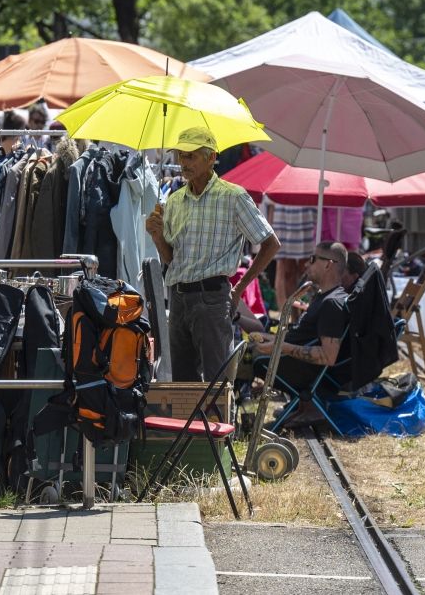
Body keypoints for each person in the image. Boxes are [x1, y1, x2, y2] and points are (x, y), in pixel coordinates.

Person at [146, 127, 279, 382]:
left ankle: (219, 422)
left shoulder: (233, 196)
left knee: (217, 380)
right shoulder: (175, 199)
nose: (183, 163)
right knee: (183, 381)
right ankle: (190, 423)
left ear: (211, 157)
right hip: (178, 296)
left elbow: (270, 243)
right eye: (181, 156)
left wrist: (239, 287)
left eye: (191, 156)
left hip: (212, 297)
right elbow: (172, 259)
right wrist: (157, 236)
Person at [249, 241, 350, 396]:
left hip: (300, 370)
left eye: (312, 259)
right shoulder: (324, 297)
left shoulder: (332, 303)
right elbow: (302, 339)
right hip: (289, 359)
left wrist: (280, 347)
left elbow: (328, 356)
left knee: (242, 361)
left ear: (328, 265)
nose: (305, 265)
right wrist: (271, 339)